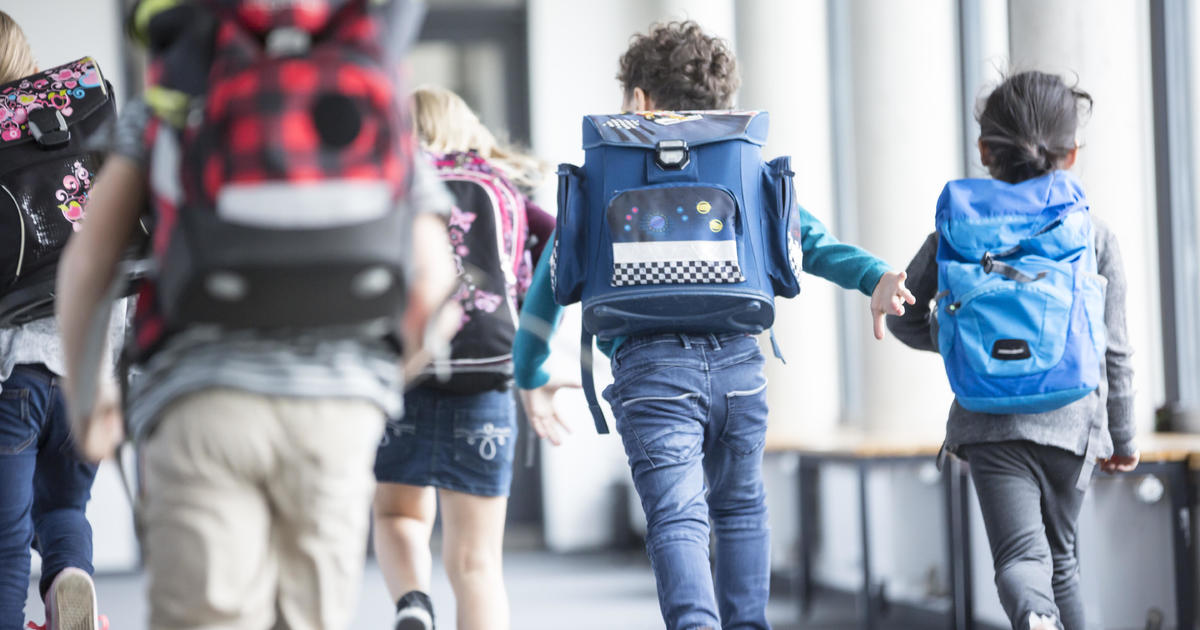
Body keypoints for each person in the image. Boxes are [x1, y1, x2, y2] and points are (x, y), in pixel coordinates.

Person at [54, 4, 459, 629]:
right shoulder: (371, 87)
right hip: (336, 414)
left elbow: (90, 260)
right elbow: (434, 281)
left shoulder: (179, 89)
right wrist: (380, 381)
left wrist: (88, 396)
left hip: (201, 403)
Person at [513, 20, 913, 630]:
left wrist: (530, 373)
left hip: (650, 376)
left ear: (639, 101)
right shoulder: (740, 168)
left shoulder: (601, 179)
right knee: (742, 508)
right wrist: (875, 276)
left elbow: (545, 292)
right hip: (739, 368)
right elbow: (811, 240)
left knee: (678, 517)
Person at [887, 71, 1138, 630]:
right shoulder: (1093, 234)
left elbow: (904, 314)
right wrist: (1123, 439)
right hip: (1072, 421)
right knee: (1062, 563)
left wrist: (967, 346)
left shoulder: (954, 231)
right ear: (1071, 154)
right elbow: (1115, 350)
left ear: (984, 151)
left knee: (1021, 559)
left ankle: (1035, 616)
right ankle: (1044, 614)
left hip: (989, 422)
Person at [372, 86, 556, 630]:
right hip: (486, 375)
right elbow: (556, 244)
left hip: (402, 373)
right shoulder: (502, 187)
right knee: (477, 564)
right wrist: (532, 338)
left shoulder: (391, 183)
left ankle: (413, 603)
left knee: (398, 513)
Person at [0, 12, 116, 630]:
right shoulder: (72, 122)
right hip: (84, 370)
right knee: (65, 510)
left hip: (10, 381)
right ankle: (72, 581)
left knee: (5, 545)